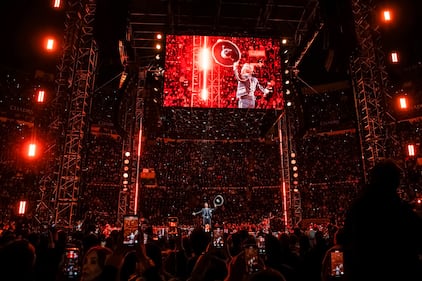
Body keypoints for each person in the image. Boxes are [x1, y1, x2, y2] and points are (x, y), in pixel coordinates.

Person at [342, 159, 422, 281]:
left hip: (365, 272)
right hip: (399, 271)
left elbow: (348, 240)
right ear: (394, 182)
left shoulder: (358, 207)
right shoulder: (399, 208)